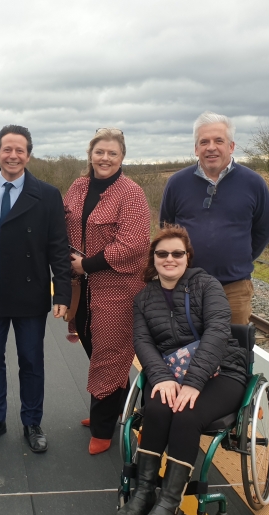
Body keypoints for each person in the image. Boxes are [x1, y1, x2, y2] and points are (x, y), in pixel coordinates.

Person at [113, 225, 248, 515]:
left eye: (177, 253)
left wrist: (193, 381)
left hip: (222, 371)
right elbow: (142, 342)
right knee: (157, 409)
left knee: (186, 415)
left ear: (187, 257)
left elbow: (217, 331)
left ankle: (169, 503)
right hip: (172, 373)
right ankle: (145, 492)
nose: (169, 259)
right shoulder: (144, 297)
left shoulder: (207, 286)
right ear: (153, 258)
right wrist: (161, 376)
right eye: (162, 253)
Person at [0, 125, 71, 453]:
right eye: (6, 149)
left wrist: (62, 293)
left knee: (31, 359)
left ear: (28, 154)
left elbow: (59, 248)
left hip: (29, 288)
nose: (12, 155)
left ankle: (32, 421)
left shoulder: (47, 195)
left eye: (19, 150)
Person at [62, 128, 149, 455]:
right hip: (80, 287)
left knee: (109, 353)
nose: (105, 158)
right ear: (91, 154)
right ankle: (112, 405)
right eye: (100, 152)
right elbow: (63, 221)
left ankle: (102, 427)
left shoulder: (131, 193)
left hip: (117, 286)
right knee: (89, 339)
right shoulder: (78, 186)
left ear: (122, 157)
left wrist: (87, 265)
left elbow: (134, 243)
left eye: (113, 153)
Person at [159, 111, 269, 324]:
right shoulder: (176, 184)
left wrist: (239, 259)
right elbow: (166, 230)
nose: (211, 147)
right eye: (204, 142)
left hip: (234, 290)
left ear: (231, 146)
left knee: (232, 353)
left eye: (218, 140)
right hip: (185, 287)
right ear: (196, 149)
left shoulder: (254, 183)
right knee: (186, 352)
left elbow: (264, 230)